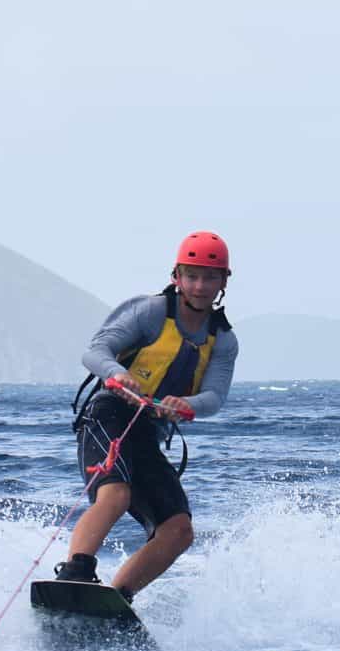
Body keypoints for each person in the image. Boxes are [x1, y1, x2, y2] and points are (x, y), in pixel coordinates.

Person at [53, 230, 238, 600]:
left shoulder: (223, 339)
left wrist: (188, 405)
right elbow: (95, 351)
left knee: (179, 530)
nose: (200, 286)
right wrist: (117, 374)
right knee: (115, 495)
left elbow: (215, 397)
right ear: (177, 276)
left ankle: (118, 597)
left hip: (148, 432)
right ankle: (75, 573)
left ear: (223, 282)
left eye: (210, 277)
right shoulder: (150, 312)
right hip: (108, 415)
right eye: (192, 275)